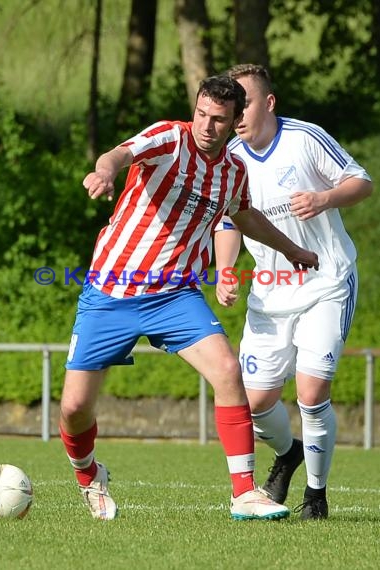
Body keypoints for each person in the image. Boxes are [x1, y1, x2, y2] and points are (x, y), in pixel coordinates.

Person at [59, 74, 319, 521]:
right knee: (74, 408)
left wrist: (291, 249)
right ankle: (89, 475)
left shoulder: (233, 171)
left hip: (174, 295)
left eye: (219, 119)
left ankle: (244, 493)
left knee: (226, 369)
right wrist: (105, 171)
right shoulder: (168, 138)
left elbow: (244, 216)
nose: (206, 126)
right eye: (201, 114)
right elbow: (120, 154)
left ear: (236, 120)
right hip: (110, 291)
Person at [214, 64, 373, 520]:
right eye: (231, 104)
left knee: (310, 392)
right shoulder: (232, 159)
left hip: (326, 282)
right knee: (256, 402)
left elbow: (362, 181)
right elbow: (227, 219)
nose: (236, 113)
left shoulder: (305, 138)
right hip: (270, 291)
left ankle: (316, 496)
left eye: (244, 103)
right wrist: (226, 269)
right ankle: (288, 453)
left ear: (268, 103)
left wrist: (325, 198)